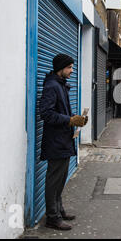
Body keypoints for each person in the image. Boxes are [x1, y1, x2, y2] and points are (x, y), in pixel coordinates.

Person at [40, 54, 88, 231]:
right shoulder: (52, 86)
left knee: (60, 180)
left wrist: (78, 120)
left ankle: (59, 210)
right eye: (69, 67)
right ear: (60, 68)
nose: (72, 70)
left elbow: (62, 114)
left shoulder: (60, 85)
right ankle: (52, 217)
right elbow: (45, 113)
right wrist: (69, 120)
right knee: (54, 180)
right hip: (55, 141)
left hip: (64, 140)